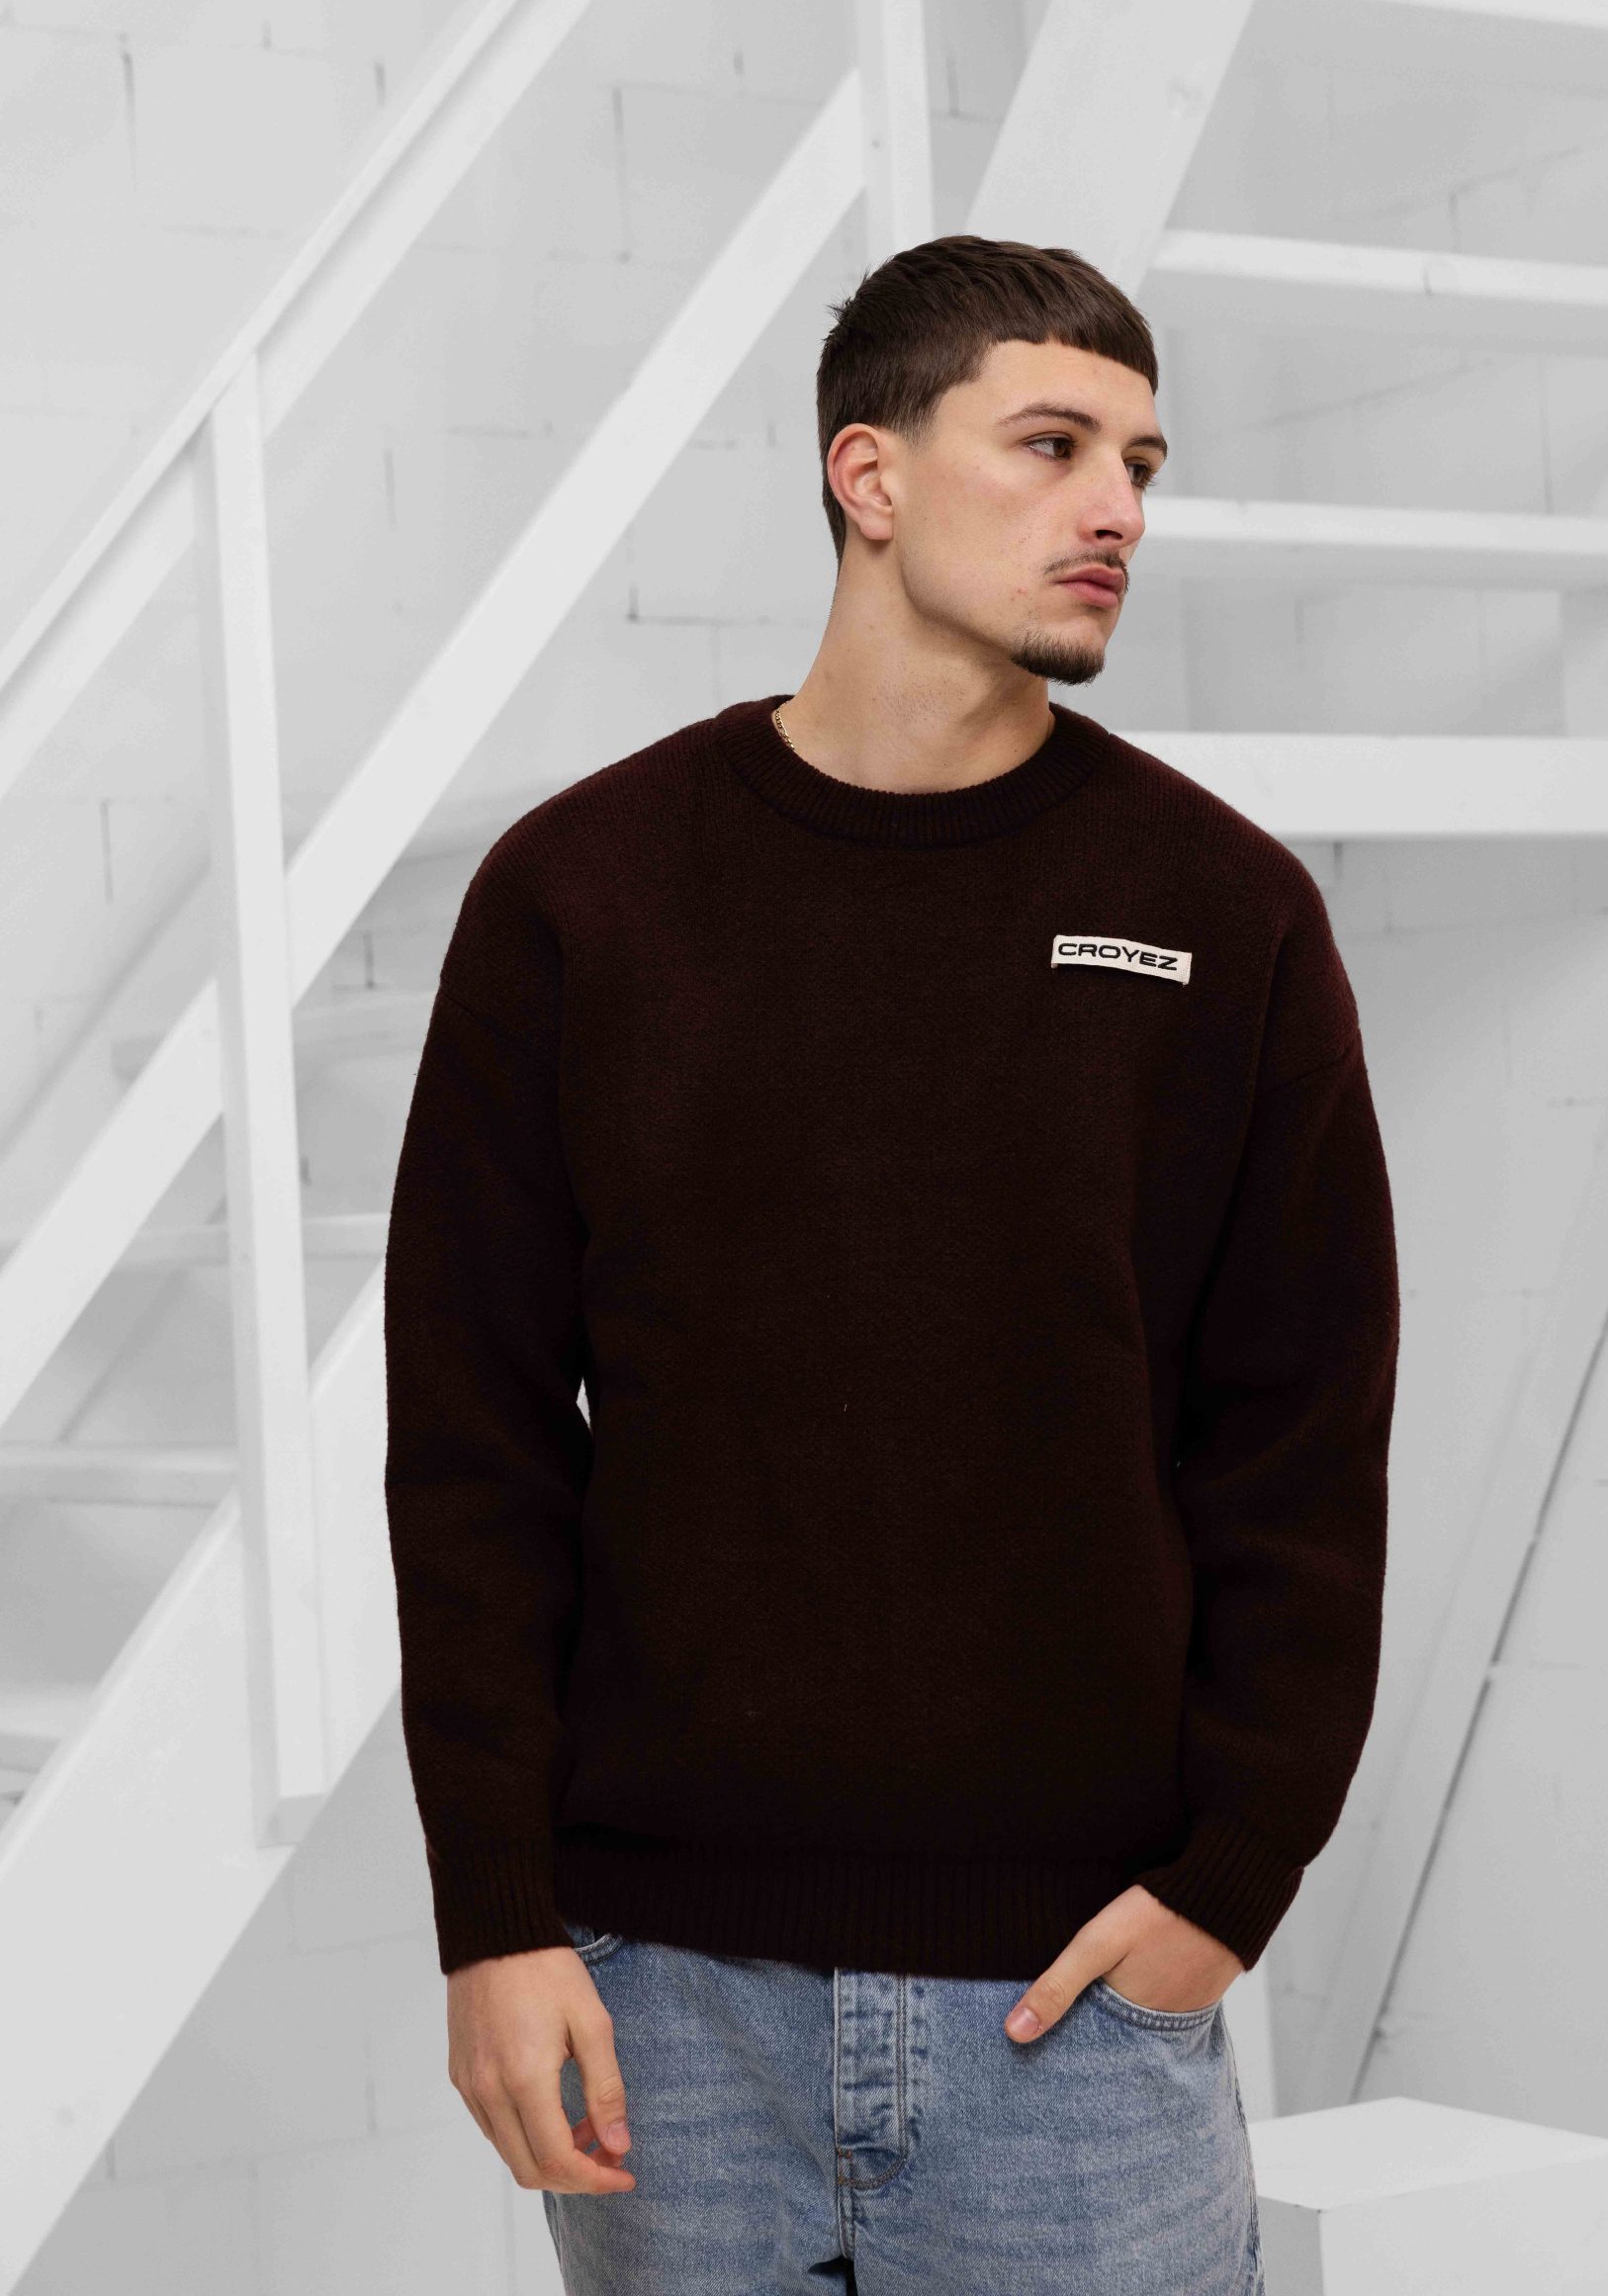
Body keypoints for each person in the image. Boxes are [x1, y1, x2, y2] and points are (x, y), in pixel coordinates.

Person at [383, 233, 1399, 2292]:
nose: (1116, 508)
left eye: (1140, 462)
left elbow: (1300, 1442)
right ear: (869, 472)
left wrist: (1230, 1879)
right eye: (1050, 444)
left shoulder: (1222, 911)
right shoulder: (582, 893)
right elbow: (474, 1436)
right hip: (661, 2008)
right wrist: (494, 1911)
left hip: (1074, 2011)